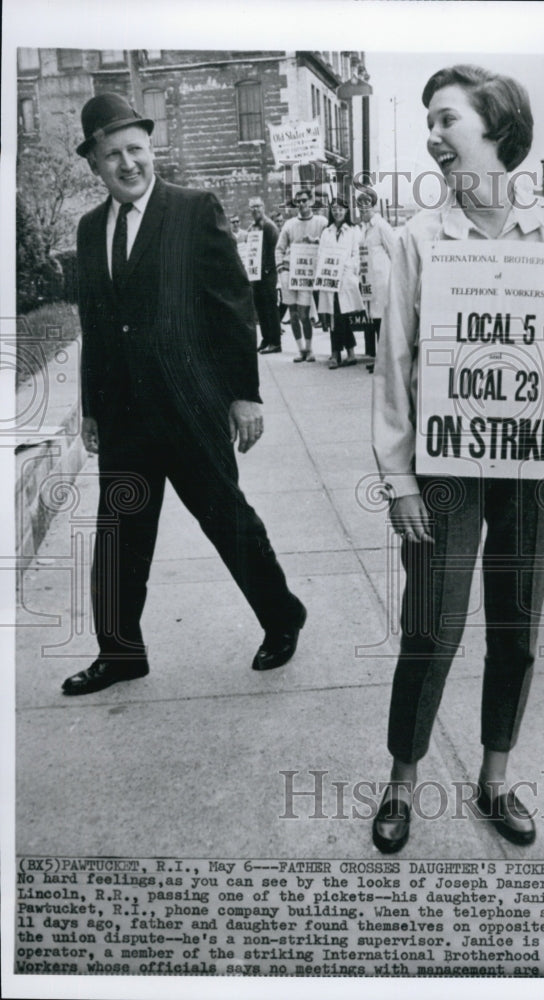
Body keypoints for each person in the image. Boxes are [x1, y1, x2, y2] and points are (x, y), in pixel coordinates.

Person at [371, 65, 544, 852]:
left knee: (514, 627)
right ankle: (400, 784)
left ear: (495, 128)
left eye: (446, 118)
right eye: (428, 120)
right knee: (431, 628)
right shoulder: (420, 241)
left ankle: (494, 777)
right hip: (446, 466)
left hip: (535, 461)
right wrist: (399, 480)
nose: (432, 134)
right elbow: (392, 369)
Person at [62, 92, 306, 696]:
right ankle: (120, 654)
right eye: (112, 154)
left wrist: (244, 395)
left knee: (227, 522)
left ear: (152, 150)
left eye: (136, 149)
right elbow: (95, 321)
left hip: (191, 407)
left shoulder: (195, 210)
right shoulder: (91, 230)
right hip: (123, 416)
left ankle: (282, 617)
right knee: (119, 536)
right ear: (94, 163)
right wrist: (91, 406)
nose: (127, 164)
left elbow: (232, 307)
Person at [275, 189, 326, 362]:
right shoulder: (289, 225)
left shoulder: (321, 222)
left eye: (304, 200)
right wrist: (281, 269)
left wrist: (316, 241)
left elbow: (329, 241)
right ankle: (300, 349)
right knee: (293, 313)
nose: (302, 204)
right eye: (298, 201)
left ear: (311, 201)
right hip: (290, 272)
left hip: (306, 274)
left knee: (304, 314)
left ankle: (310, 348)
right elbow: (279, 249)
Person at [317, 198, 364, 369]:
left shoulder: (353, 230)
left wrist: (347, 269)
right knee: (334, 315)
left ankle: (339, 353)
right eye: (334, 209)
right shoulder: (326, 232)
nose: (337, 212)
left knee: (340, 316)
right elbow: (321, 253)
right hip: (329, 278)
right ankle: (343, 353)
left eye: (341, 209)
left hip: (345, 278)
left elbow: (356, 254)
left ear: (346, 211)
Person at [355, 187, 396, 372]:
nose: (363, 209)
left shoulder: (381, 226)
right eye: (360, 205)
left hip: (382, 281)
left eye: (367, 205)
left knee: (382, 321)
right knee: (375, 320)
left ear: (373, 206)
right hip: (368, 281)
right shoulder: (364, 228)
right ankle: (380, 359)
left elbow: (395, 253)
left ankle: (385, 362)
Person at [248, 196, 283, 354]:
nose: (255, 210)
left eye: (258, 206)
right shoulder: (252, 228)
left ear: (263, 207)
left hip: (268, 274)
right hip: (256, 275)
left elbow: (275, 250)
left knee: (270, 308)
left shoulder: (269, 226)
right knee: (261, 309)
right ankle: (266, 338)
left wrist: (269, 270)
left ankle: (275, 342)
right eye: (252, 207)